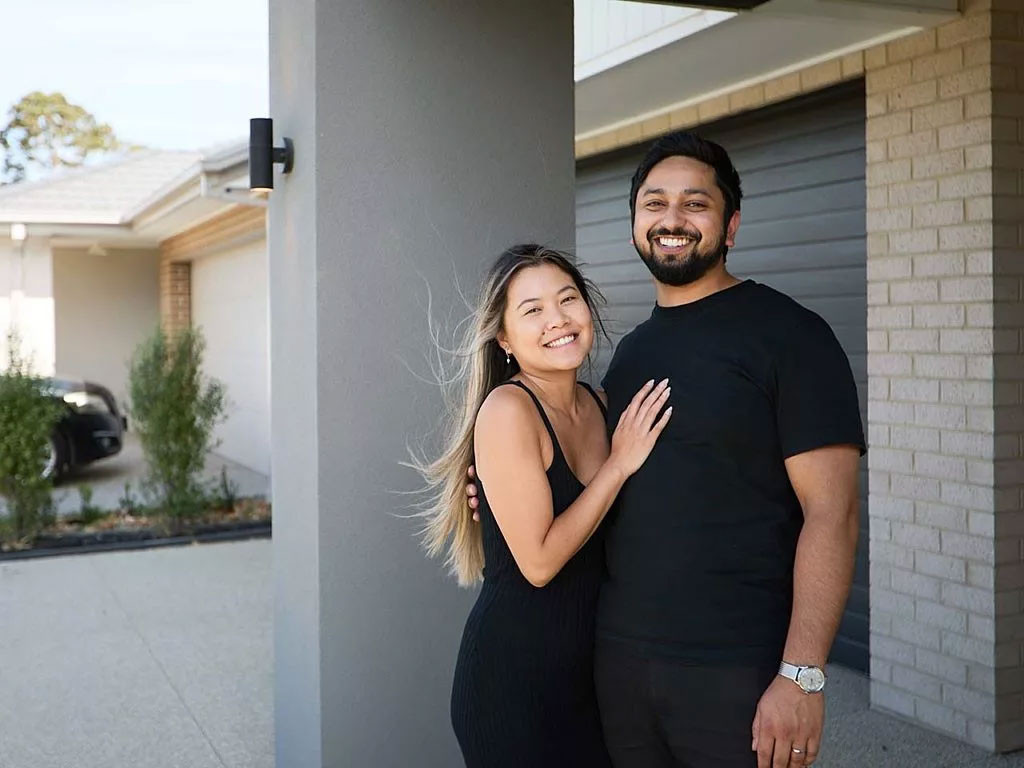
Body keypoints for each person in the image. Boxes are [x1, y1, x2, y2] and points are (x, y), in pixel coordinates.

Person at [467, 132, 865, 768]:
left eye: (695, 204)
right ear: (633, 225)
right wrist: (489, 489)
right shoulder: (630, 359)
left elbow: (834, 515)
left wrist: (803, 674)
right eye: (654, 203)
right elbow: (587, 494)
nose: (672, 220)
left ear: (730, 225)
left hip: (734, 670)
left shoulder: (792, 338)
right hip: (614, 671)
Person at [413, 244, 672, 768]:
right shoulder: (509, 410)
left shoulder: (603, 407)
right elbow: (538, 563)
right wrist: (618, 465)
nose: (557, 320)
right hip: (512, 687)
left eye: (567, 299)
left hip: (589, 681)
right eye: (532, 310)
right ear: (504, 338)